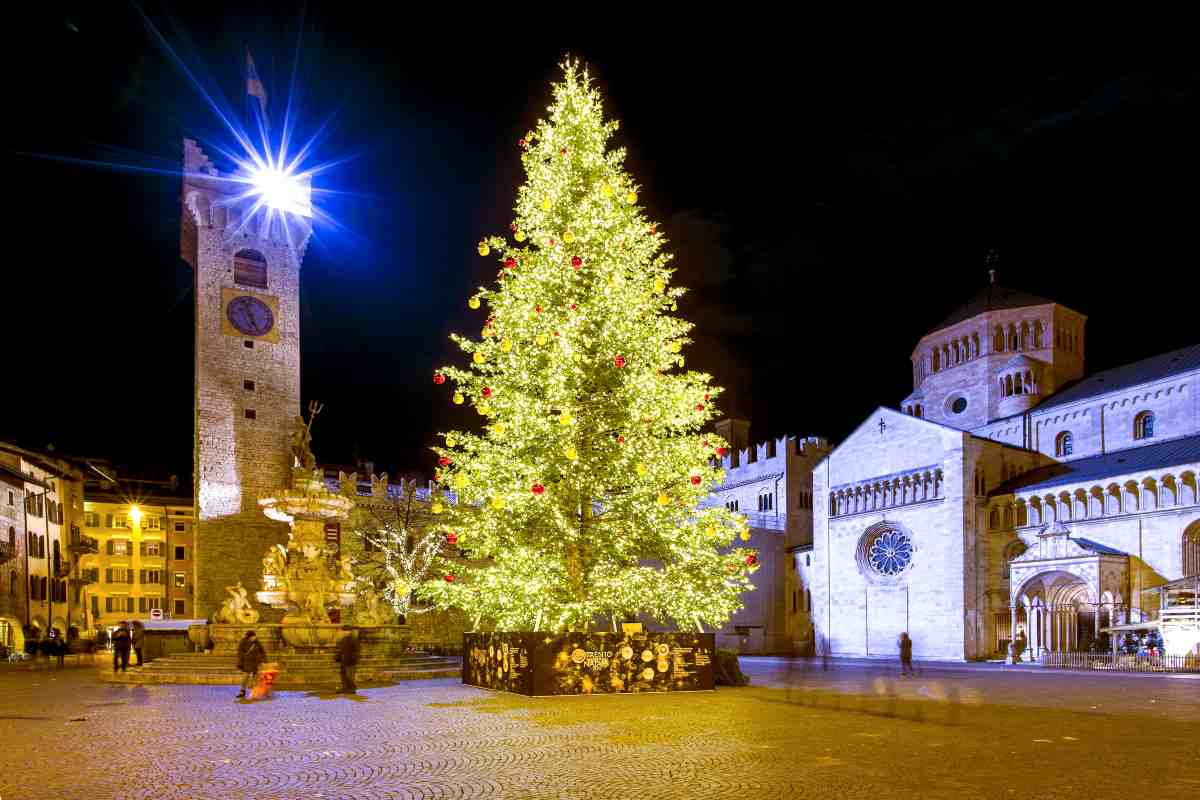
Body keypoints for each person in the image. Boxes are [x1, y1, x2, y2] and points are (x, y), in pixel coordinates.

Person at [236, 630, 266, 700]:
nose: (254, 638)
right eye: (253, 636)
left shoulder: (257, 642)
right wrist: (242, 660)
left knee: (255, 678)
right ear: (249, 637)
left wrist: (264, 661)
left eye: (254, 636)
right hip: (247, 662)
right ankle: (242, 691)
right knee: (245, 677)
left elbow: (262, 652)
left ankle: (254, 692)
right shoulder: (243, 642)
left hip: (256, 662)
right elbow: (240, 653)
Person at [335, 629, 360, 695]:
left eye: (343, 631)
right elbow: (342, 650)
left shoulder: (352, 639)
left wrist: (353, 658)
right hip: (345, 660)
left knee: (349, 675)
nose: (342, 632)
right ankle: (346, 688)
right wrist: (338, 657)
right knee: (344, 675)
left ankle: (351, 689)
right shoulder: (345, 639)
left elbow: (356, 650)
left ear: (347, 631)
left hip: (349, 660)